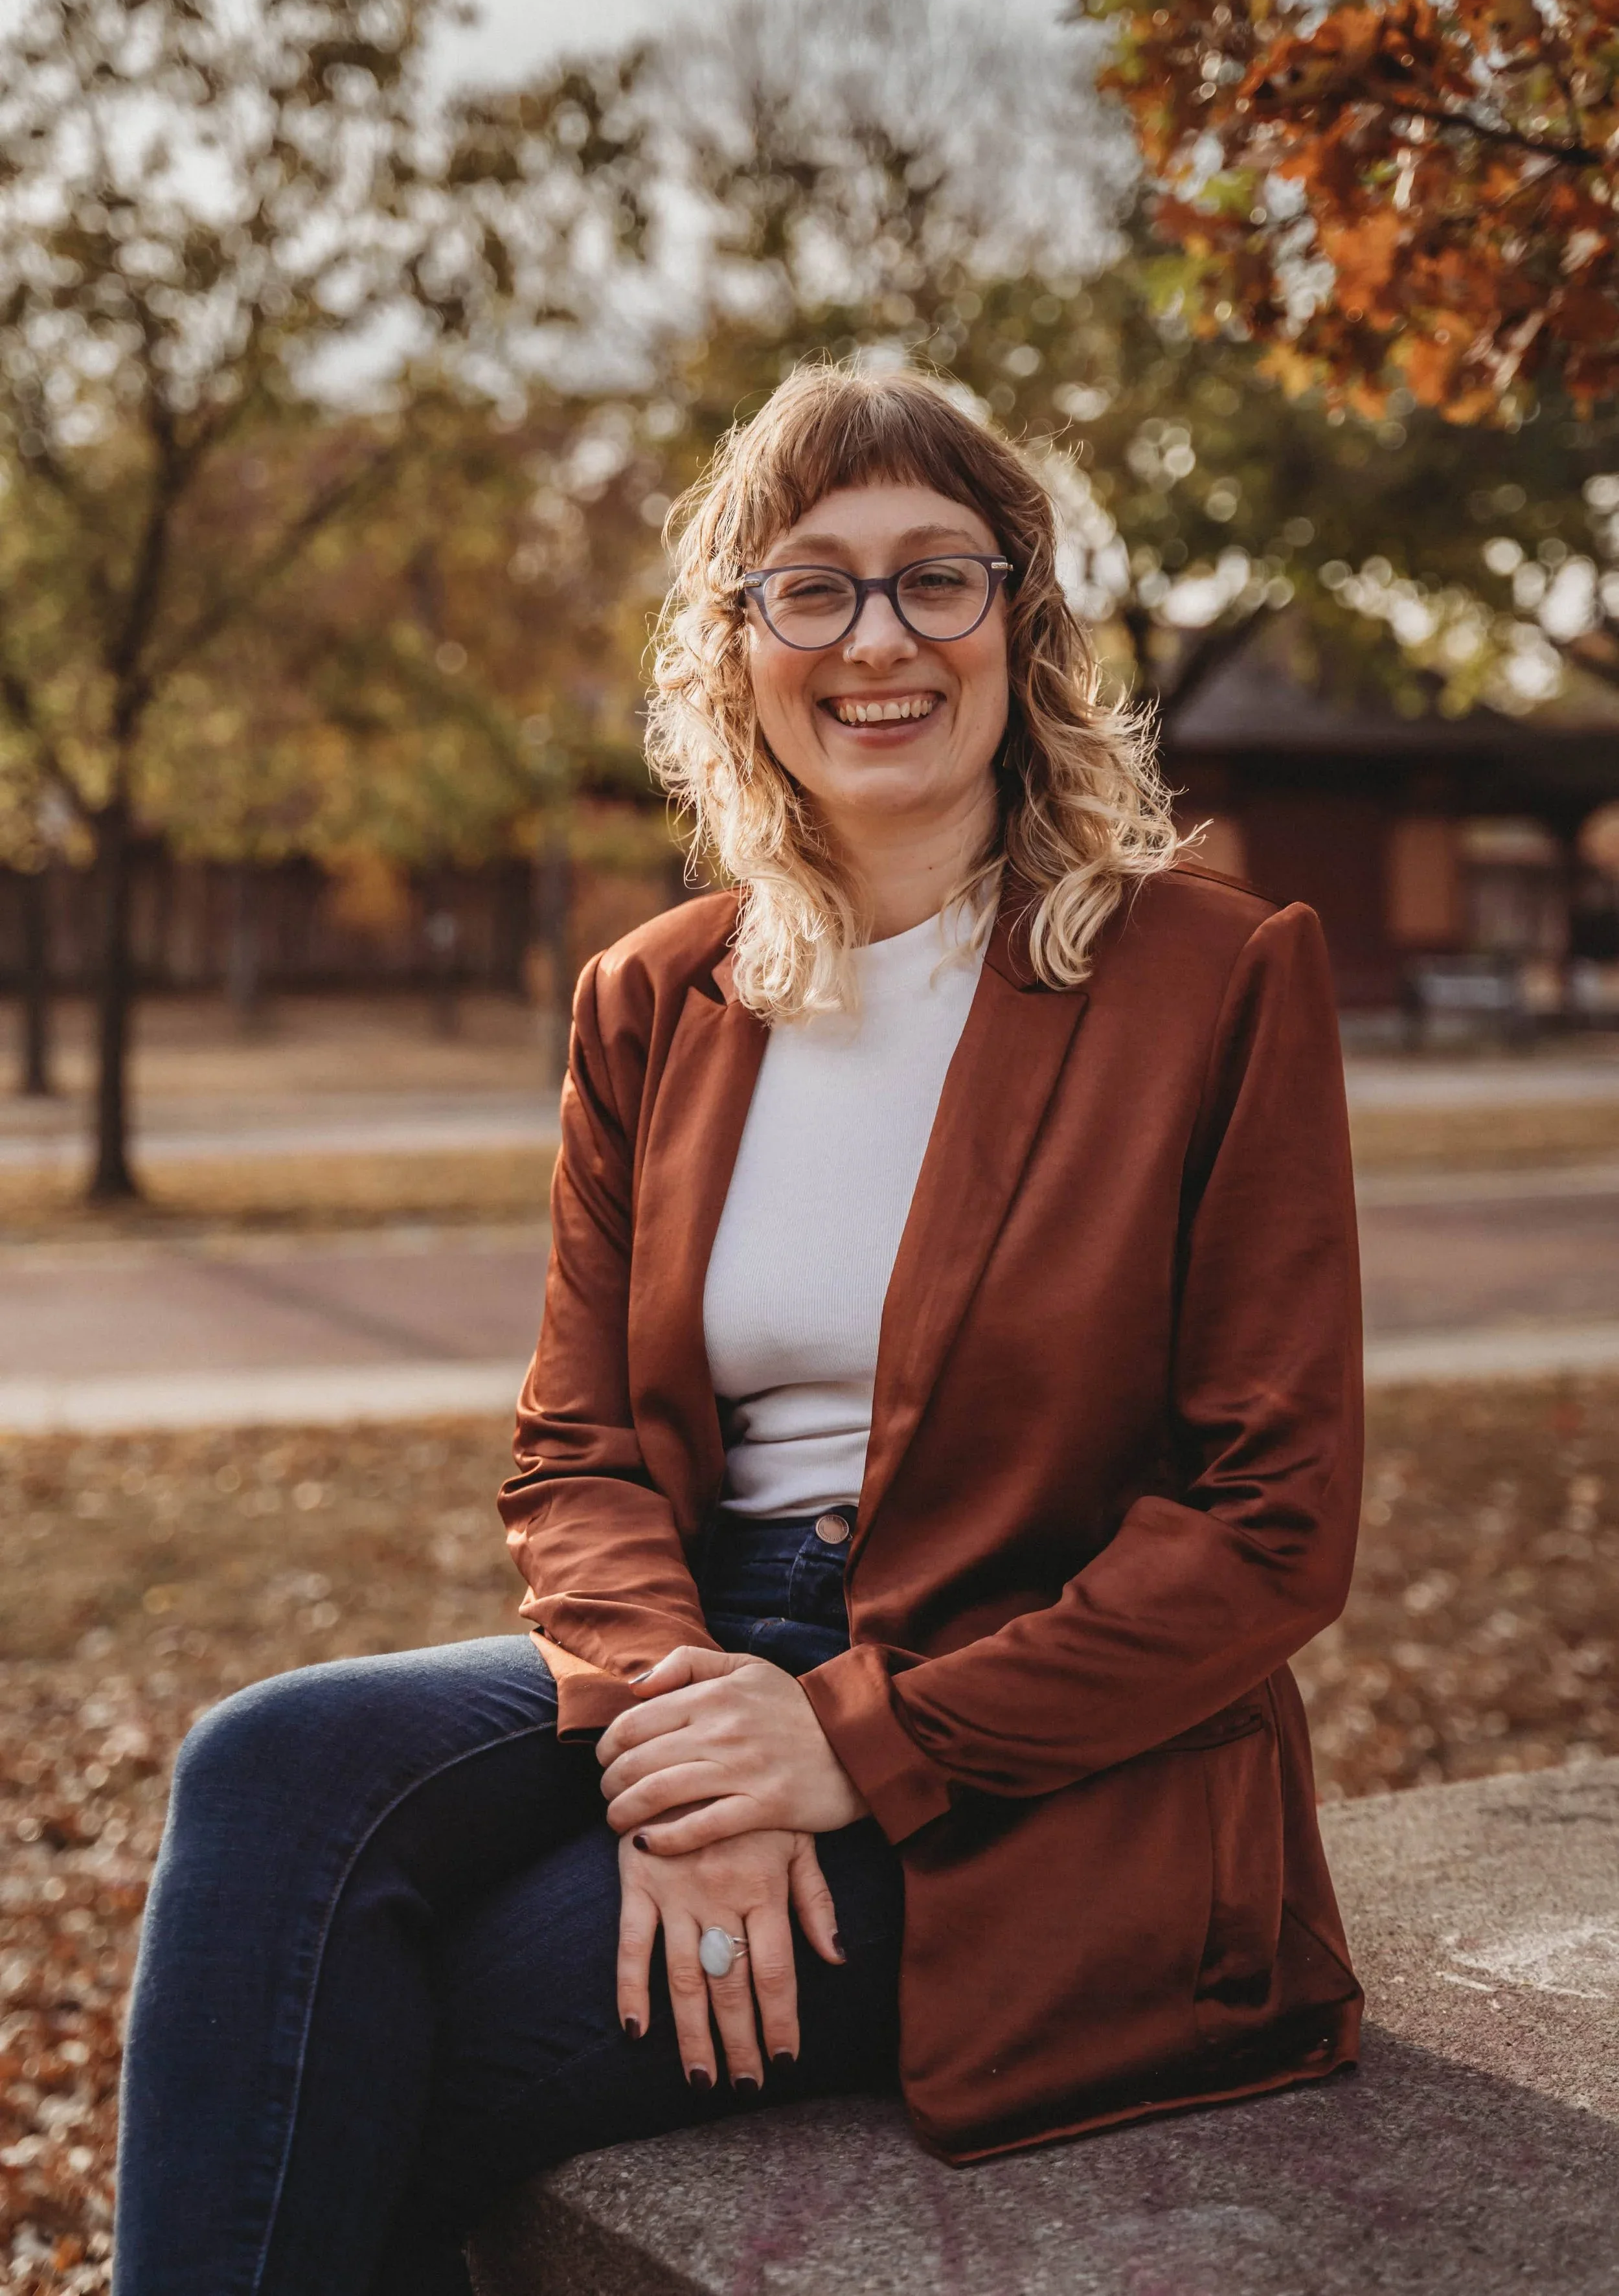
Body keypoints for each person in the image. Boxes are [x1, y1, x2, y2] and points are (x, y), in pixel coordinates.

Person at [113, 363, 1363, 2296]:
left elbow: (1269, 1522)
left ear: (1018, 620)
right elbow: (580, 1444)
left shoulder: (1208, 976)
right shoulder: (659, 996)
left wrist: (844, 1742)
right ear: (740, 645)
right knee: (268, 1763)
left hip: (1029, 1737)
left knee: (390, 2032)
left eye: (934, 578)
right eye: (811, 586)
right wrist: (685, 1733)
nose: (877, 640)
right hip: (703, 1637)